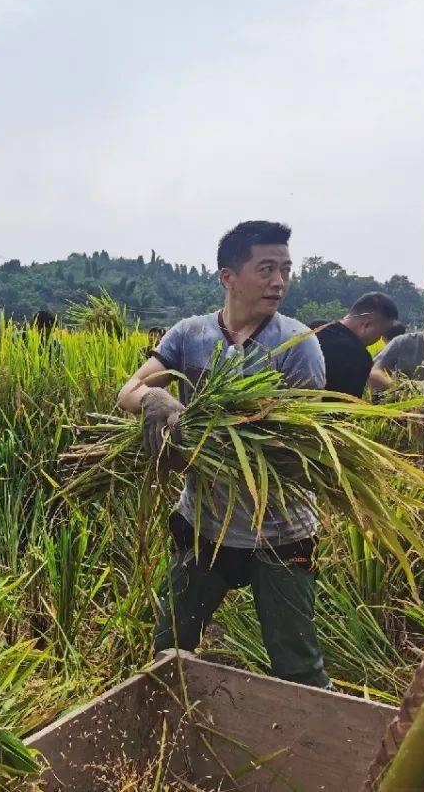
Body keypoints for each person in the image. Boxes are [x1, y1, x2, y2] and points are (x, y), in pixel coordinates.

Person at [117, 221, 330, 688]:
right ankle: (171, 737)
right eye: (267, 268)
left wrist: (213, 445)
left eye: (286, 270)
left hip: (281, 533)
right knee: (170, 648)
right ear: (228, 276)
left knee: (297, 667)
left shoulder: (298, 345)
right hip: (203, 527)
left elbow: (304, 444)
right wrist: (155, 400)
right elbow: (129, 390)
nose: (279, 281)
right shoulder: (190, 335)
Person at [315, 293, 399, 397]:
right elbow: (347, 407)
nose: (379, 339)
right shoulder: (358, 356)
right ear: (367, 325)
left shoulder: (315, 327)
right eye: (380, 333)